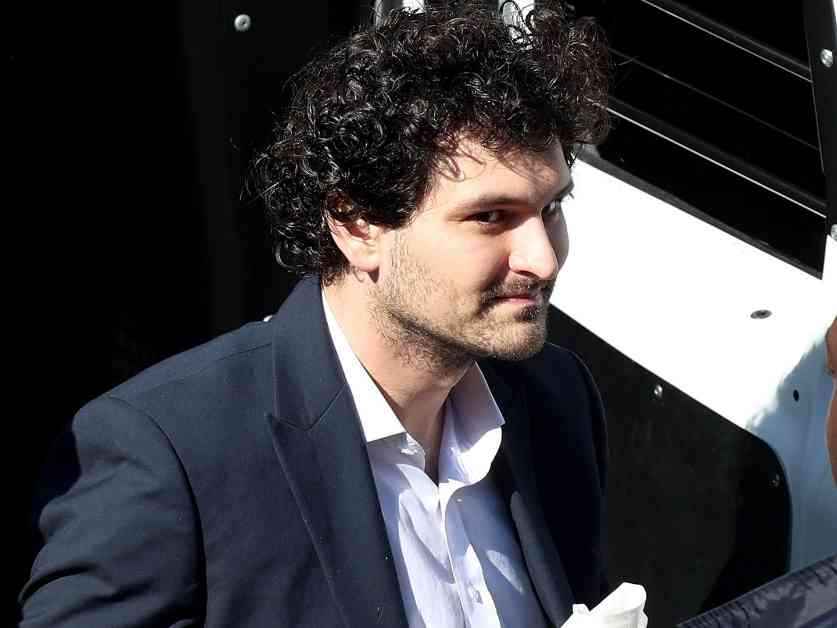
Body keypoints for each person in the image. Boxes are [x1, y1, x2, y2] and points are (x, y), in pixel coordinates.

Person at [18, 2, 611, 626]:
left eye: (551, 208)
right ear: (356, 226)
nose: (543, 259)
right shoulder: (173, 456)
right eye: (489, 217)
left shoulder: (555, 398)